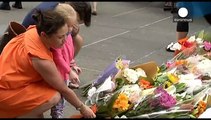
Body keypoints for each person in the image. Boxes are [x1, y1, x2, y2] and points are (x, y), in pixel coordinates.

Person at [0, 10, 96, 118]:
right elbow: (63, 89)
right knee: (54, 97)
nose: (65, 41)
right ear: (44, 35)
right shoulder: (40, 59)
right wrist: (82, 108)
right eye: (60, 37)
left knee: (45, 90)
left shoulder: (33, 31)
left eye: (66, 35)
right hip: (5, 92)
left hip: (10, 82)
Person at [22, 2, 92, 57]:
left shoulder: (61, 8)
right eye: (77, 21)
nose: (76, 25)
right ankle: (63, 66)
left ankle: (67, 63)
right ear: (72, 11)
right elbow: (52, 36)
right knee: (62, 43)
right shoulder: (53, 14)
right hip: (27, 41)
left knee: (77, 40)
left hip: (40, 35)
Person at [48, 3, 82, 118]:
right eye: (69, 25)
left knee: (62, 100)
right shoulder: (58, 38)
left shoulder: (67, 35)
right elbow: (58, 57)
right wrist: (69, 71)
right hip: (58, 73)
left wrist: (73, 65)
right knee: (59, 99)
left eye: (73, 25)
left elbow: (69, 54)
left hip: (64, 73)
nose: (72, 28)